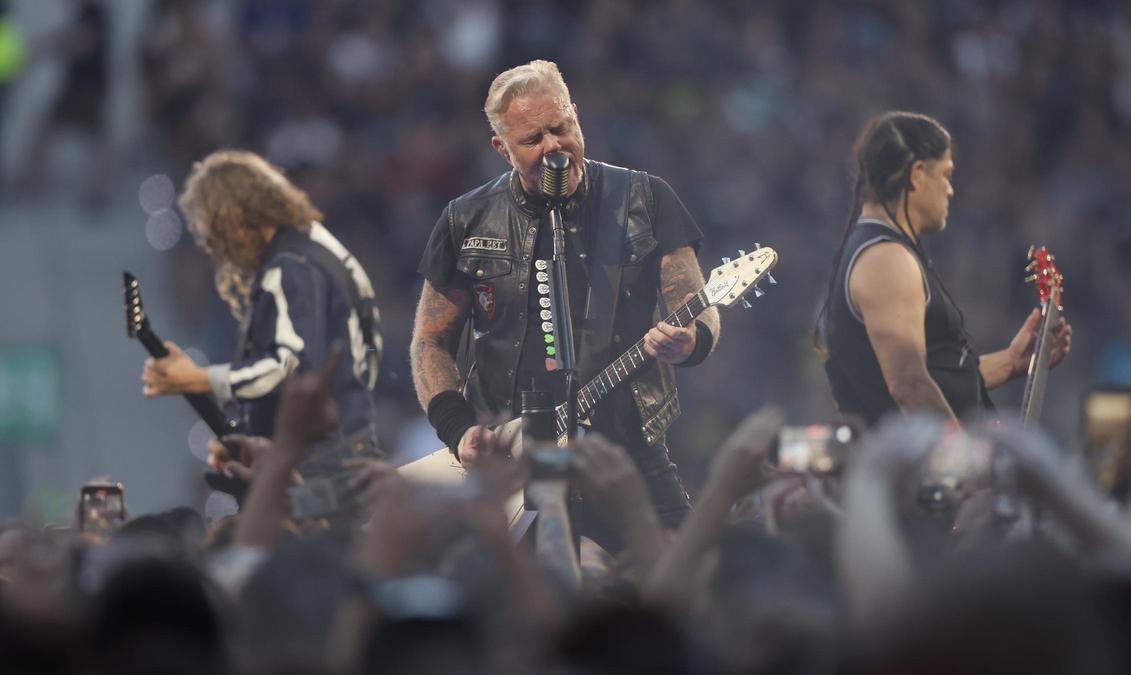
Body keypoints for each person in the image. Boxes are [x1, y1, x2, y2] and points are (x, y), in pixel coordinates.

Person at [411, 60, 720, 541]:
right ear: (502, 148)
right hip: (510, 459)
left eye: (560, 128)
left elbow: (700, 306)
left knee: (675, 585)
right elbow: (431, 341)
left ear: (576, 115)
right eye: (533, 140)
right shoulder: (465, 220)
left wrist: (691, 342)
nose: (553, 147)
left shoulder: (644, 198)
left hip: (627, 451)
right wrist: (458, 429)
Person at [816, 112, 1072, 428]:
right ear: (917, 174)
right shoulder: (885, 260)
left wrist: (1008, 362)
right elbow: (909, 385)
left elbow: (929, 378)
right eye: (947, 175)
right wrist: (964, 461)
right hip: (906, 474)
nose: (951, 190)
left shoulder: (884, 252)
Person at [141, 150, 384, 478]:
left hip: (321, 467)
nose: (214, 247)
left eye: (214, 231)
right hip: (333, 454)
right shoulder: (310, 250)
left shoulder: (291, 266)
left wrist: (201, 378)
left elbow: (290, 367)